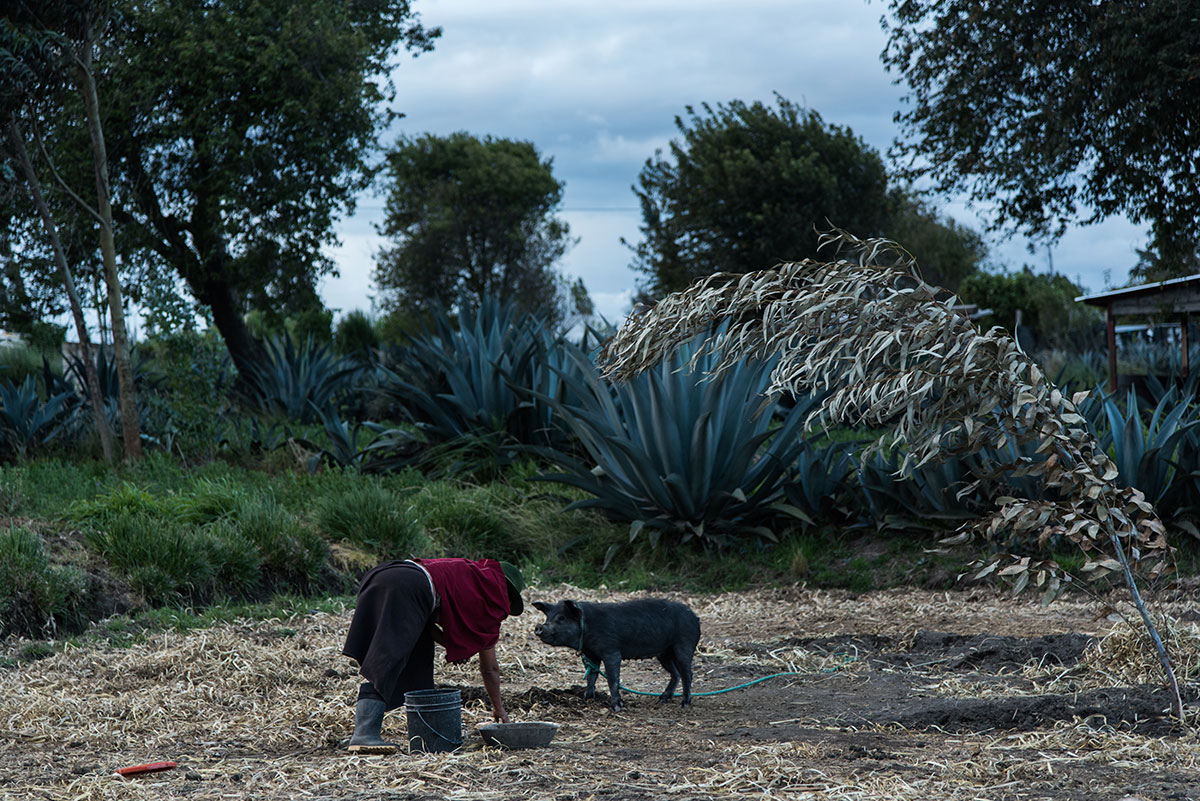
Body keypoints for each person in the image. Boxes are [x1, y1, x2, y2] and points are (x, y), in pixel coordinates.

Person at [341, 557, 525, 752]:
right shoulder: (492, 598)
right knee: (388, 660)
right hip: (411, 587)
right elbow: (490, 669)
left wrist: (455, 645)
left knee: (415, 657)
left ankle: (407, 732)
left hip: (384, 574)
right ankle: (364, 734)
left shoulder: (466, 575)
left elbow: (426, 625)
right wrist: (498, 708)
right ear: (508, 595)